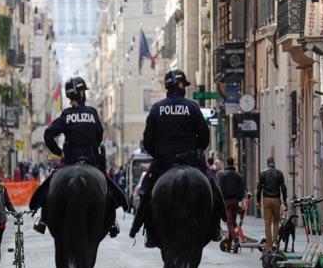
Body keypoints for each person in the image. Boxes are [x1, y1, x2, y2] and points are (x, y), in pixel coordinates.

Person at [129, 68, 226, 247]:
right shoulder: (192, 107)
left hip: (164, 162)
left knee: (147, 191)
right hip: (190, 160)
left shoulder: (157, 109)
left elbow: (148, 141)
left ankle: (142, 228)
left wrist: (158, 153)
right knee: (213, 185)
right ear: (180, 85)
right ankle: (217, 226)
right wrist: (197, 149)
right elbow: (204, 138)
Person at [29, 76, 127, 237]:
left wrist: (59, 151)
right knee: (107, 185)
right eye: (83, 91)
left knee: (51, 184)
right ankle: (111, 221)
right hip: (91, 160)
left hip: (69, 160)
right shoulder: (92, 113)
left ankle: (43, 219)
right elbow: (99, 135)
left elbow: (48, 135)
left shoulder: (66, 115)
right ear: (81, 93)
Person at [256, 157, 287, 249]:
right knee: (276, 221)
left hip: (266, 199)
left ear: (267, 163)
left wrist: (258, 201)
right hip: (276, 199)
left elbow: (259, 188)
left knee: (267, 223)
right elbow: (283, 188)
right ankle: (275, 243)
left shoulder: (263, 173)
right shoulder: (279, 173)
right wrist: (284, 200)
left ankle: (269, 245)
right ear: (274, 163)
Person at [218, 157, 245, 249]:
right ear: (233, 164)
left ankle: (236, 240)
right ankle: (229, 245)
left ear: (226, 163)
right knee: (232, 223)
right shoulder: (238, 176)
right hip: (235, 201)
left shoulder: (222, 175)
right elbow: (242, 189)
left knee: (229, 224)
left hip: (226, 202)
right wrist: (239, 199)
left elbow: (220, 190)